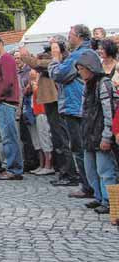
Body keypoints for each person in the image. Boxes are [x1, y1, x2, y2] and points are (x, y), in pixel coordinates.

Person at [48, 26, 93, 198]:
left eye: (70, 35)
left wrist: (54, 59)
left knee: (80, 148)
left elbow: (60, 74)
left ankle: (87, 186)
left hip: (75, 105)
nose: (68, 38)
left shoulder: (79, 54)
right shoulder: (86, 51)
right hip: (78, 105)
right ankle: (89, 185)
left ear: (79, 36)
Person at [75, 49, 118, 215]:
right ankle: (99, 197)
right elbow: (84, 111)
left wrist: (107, 136)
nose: (80, 72)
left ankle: (109, 201)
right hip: (89, 133)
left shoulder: (104, 84)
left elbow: (110, 112)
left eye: (82, 69)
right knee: (91, 169)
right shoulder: (88, 85)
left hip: (100, 133)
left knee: (105, 170)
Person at [19, 46, 69, 182]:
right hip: (43, 107)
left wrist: (25, 55)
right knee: (46, 140)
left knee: (55, 139)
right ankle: (56, 169)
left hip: (51, 104)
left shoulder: (54, 63)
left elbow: (36, 64)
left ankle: (61, 169)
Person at [0, 36, 23, 180]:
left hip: (6, 103)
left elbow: (8, 82)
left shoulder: (6, 59)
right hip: (1, 102)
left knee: (9, 137)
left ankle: (14, 169)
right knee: (6, 137)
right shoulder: (1, 61)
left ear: (1, 44)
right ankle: (12, 167)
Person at [26, 69, 54, 176]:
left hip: (43, 111)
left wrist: (35, 86)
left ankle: (48, 165)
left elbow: (40, 94)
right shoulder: (33, 81)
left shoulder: (44, 80)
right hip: (36, 112)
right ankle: (42, 165)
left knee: (45, 138)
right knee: (39, 140)